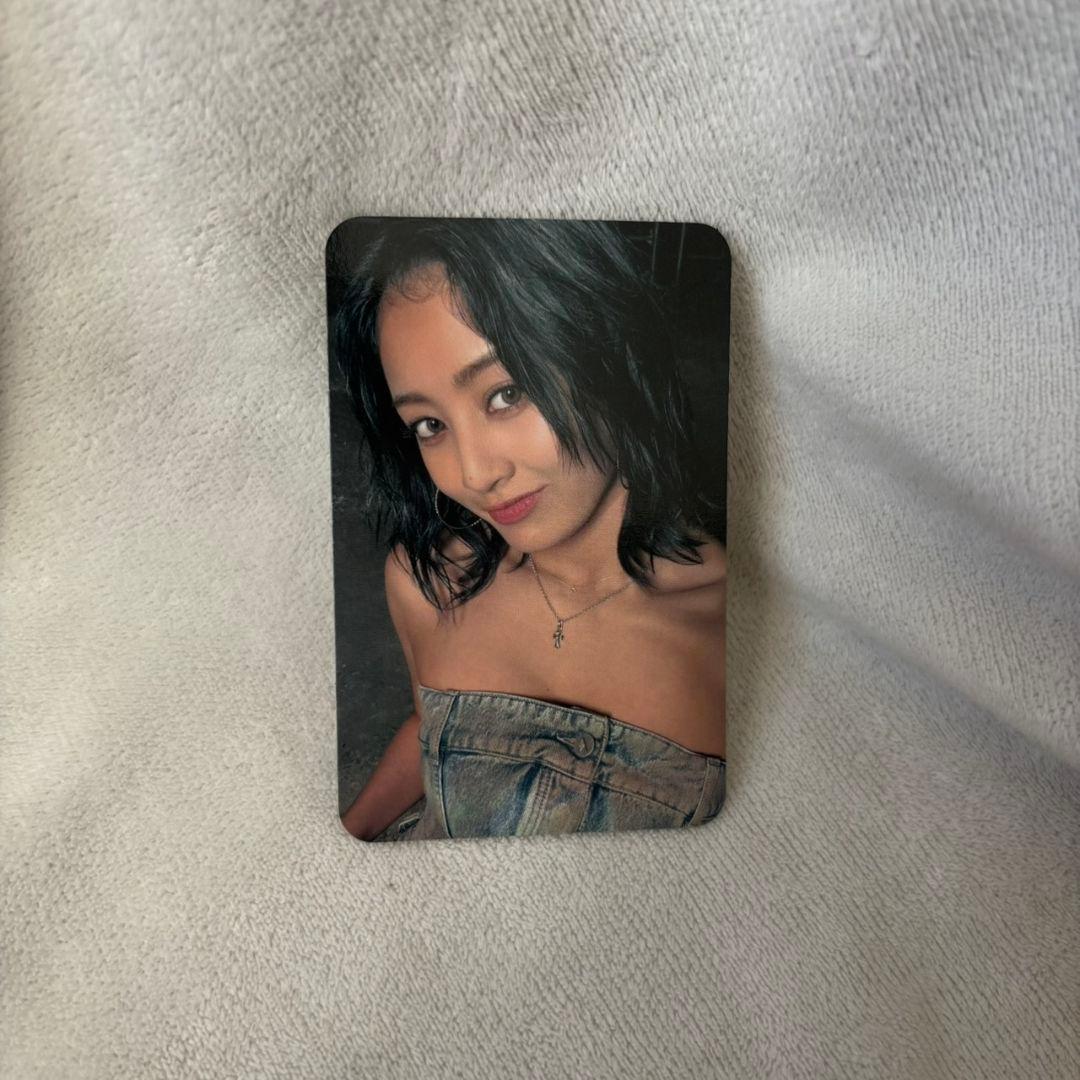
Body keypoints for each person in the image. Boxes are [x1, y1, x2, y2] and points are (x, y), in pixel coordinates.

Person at [333, 218, 726, 841]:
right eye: (430, 425)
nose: (474, 473)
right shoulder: (430, 584)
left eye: (506, 393)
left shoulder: (732, 636)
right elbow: (430, 730)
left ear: (607, 353)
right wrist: (337, 846)